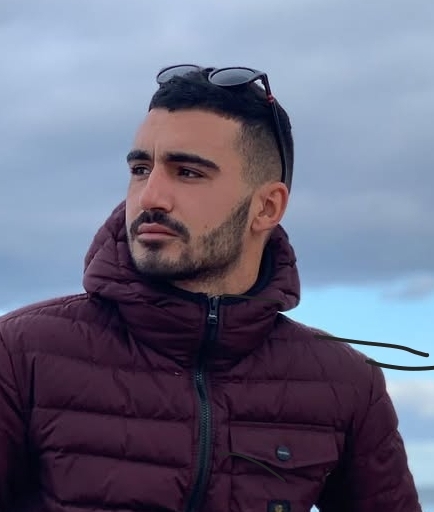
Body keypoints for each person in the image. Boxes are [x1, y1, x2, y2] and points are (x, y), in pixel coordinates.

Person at [0, 64, 422, 512]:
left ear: (267, 207)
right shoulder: (21, 353)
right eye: (141, 169)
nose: (150, 197)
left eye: (187, 173)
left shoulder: (344, 382)